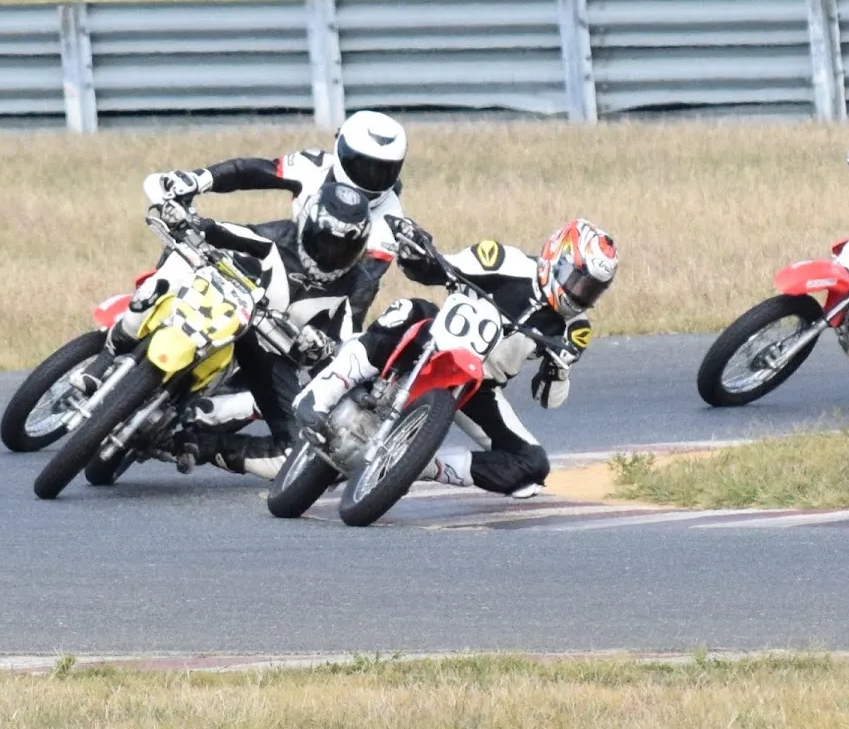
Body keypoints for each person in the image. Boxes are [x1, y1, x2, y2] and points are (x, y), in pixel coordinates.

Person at [292, 218, 619, 498]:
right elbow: (439, 269)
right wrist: (417, 250)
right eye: (578, 280)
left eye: (591, 289)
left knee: (533, 464)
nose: (580, 293)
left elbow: (548, 399)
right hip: (436, 341)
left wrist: (560, 369)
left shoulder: (575, 329)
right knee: (410, 310)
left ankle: (417, 465)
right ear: (557, 257)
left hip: (478, 388)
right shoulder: (506, 260)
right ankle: (323, 393)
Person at [85, 182, 376, 479]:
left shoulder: (357, 284)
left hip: (272, 352)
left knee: (295, 455)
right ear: (307, 226)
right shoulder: (279, 237)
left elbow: (348, 342)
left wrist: (324, 344)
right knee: (178, 265)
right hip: (227, 309)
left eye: (345, 247)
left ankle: (199, 444)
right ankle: (111, 350)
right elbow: (230, 232)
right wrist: (194, 223)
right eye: (325, 240)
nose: (331, 252)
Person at [149, 109, 409, 327]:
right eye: (362, 166)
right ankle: (149, 302)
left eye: (383, 171)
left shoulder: (389, 223)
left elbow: (359, 289)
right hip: (282, 253)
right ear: (341, 151)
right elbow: (252, 172)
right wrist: (199, 179)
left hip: (322, 297)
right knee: (194, 236)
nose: (371, 178)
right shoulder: (315, 165)